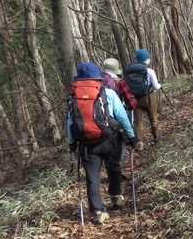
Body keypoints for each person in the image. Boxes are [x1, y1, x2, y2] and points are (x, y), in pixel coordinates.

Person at [68, 63, 136, 225]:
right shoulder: (108, 93)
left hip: (87, 143)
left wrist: (71, 142)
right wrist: (131, 135)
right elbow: (121, 116)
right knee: (114, 167)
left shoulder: (73, 96)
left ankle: (98, 211)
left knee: (92, 177)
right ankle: (116, 196)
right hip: (110, 139)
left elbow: (69, 121)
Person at [126, 49, 162, 150]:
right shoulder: (149, 71)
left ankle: (139, 144)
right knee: (153, 118)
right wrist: (160, 84)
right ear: (147, 59)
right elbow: (156, 86)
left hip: (135, 98)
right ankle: (156, 137)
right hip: (148, 97)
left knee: (138, 122)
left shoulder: (130, 70)